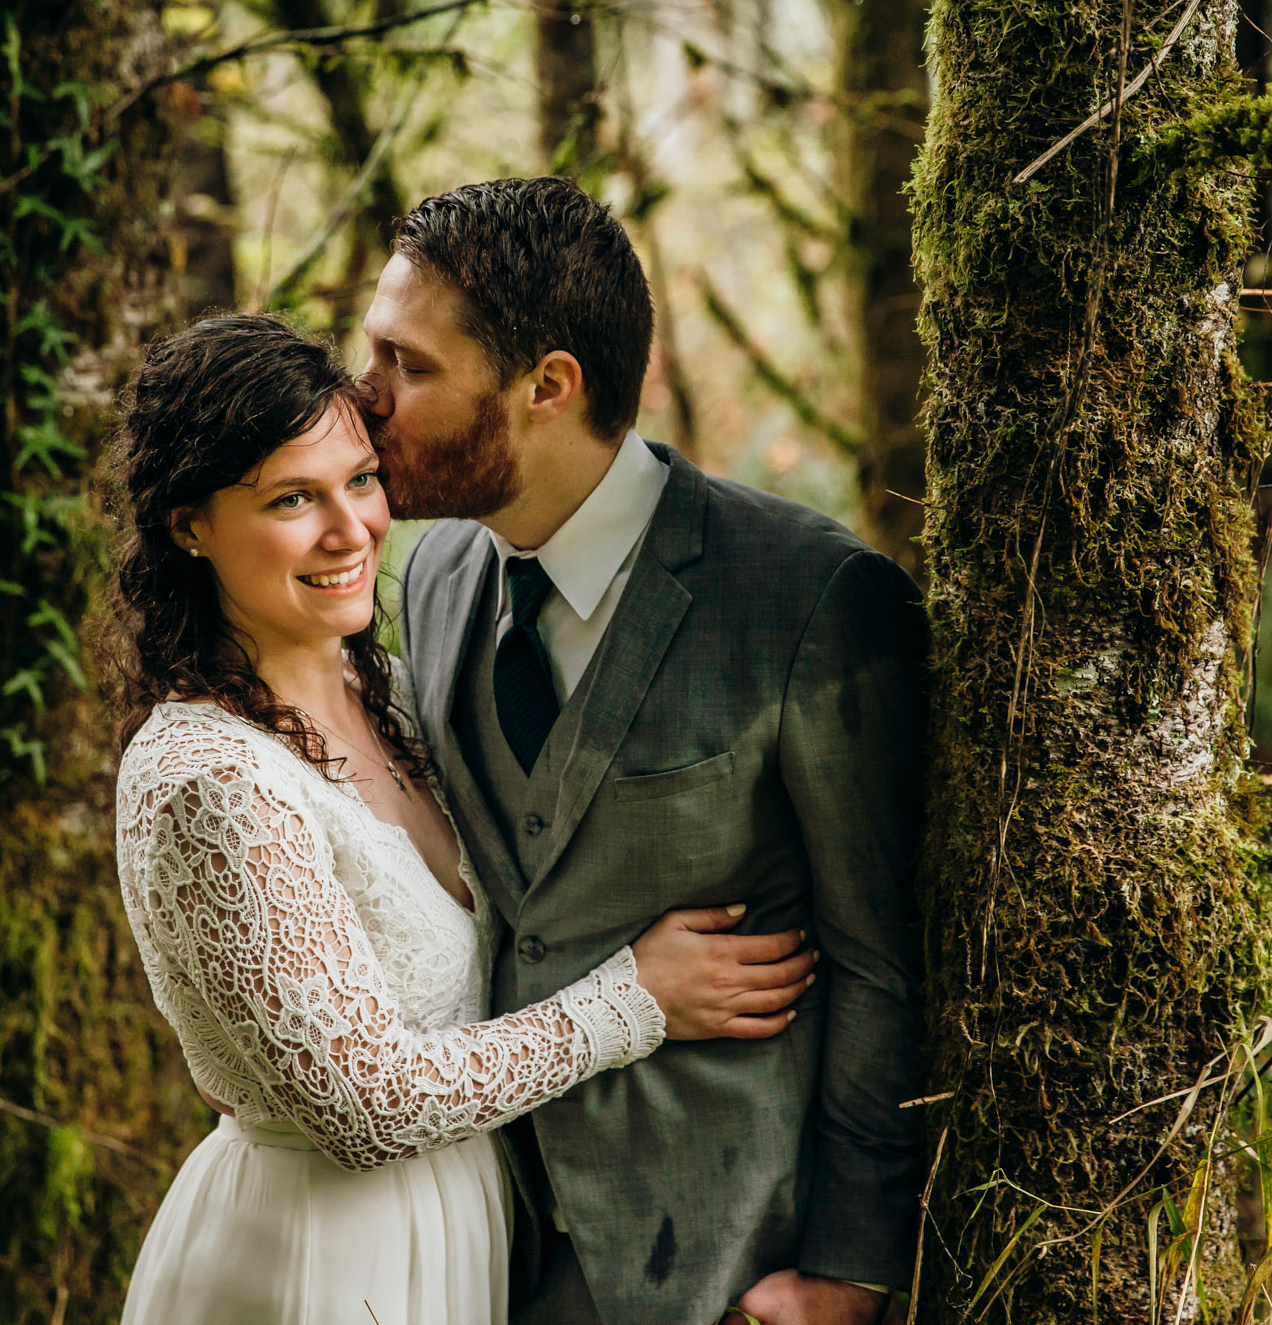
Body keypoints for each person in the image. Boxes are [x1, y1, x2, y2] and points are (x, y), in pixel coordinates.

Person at [103, 312, 818, 1325]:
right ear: (189, 524)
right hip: (316, 1253)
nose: (350, 529)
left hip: (466, 1231)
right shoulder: (206, 773)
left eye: (360, 480)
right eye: (291, 500)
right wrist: (636, 1000)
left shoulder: (397, 696)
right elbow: (365, 1105)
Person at [362, 177, 926, 1325]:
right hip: (484, 1245)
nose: (363, 400)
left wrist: (853, 1271)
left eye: (408, 369)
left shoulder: (811, 600)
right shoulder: (431, 577)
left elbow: (884, 958)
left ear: (548, 387)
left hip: (726, 1266)